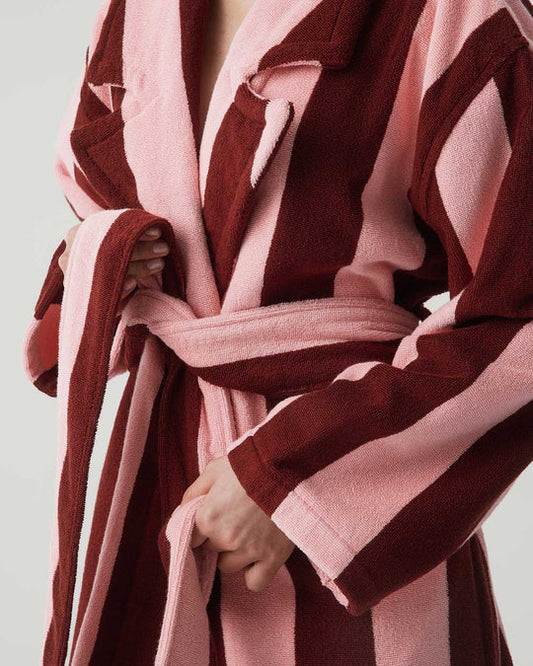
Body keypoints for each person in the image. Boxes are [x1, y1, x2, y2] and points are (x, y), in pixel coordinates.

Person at [25, 0, 533, 663]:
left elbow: (518, 311)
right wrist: (97, 261)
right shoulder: (132, 13)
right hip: (155, 478)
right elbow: (106, 205)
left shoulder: (455, 14)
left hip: (350, 520)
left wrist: (295, 478)